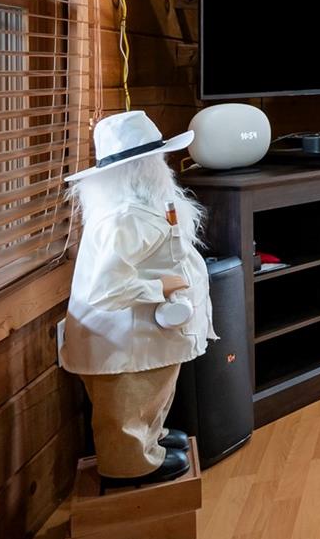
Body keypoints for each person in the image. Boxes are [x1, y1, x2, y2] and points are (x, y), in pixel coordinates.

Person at [62, 111, 215, 486]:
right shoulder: (126, 218)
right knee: (128, 400)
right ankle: (130, 464)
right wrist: (159, 288)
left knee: (154, 390)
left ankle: (153, 437)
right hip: (127, 340)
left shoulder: (143, 208)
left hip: (151, 334)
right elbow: (105, 288)